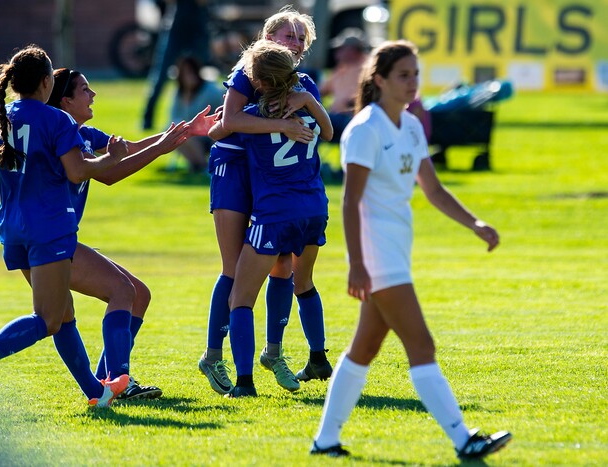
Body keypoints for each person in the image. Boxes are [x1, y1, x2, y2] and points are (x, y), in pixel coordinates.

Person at [311, 40, 512, 459]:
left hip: (396, 249)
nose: (412, 83)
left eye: (416, 75)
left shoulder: (414, 126)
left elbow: (433, 189)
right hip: (376, 254)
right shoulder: (365, 128)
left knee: (363, 350)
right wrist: (358, 265)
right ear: (379, 80)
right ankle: (463, 440)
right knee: (422, 346)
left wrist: (474, 223)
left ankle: (325, 441)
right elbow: (350, 202)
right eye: (403, 75)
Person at [0, 45, 131, 409]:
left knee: (63, 312)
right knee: (49, 318)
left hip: (13, 229)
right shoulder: (58, 120)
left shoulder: (1, 115)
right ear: (45, 82)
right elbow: (78, 171)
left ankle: (96, 392)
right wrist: (110, 159)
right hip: (50, 227)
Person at [45, 67, 208, 400]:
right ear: (66, 100)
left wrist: (181, 134)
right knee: (118, 291)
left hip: (62, 239)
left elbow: (129, 148)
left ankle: (110, 380)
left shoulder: (84, 132)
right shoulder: (63, 137)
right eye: (85, 90)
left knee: (138, 294)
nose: (93, 95)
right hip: (51, 241)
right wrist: (163, 148)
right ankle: (119, 380)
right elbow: (110, 173)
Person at [198, 6, 333, 396]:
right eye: (286, 35)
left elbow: (316, 125)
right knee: (234, 270)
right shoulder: (247, 71)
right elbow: (225, 127)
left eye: (299, 39)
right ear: (265, 39)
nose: (292, 43)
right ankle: (213, 354)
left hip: (272, 182)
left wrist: (300, 109)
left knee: (282, 269)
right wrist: (283, 124)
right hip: (235, 170)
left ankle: (273, 352)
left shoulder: (301, 83)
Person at [141, 0, 210, 130]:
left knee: (201, 76)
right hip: (175, 27)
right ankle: (147, 119)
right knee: (160, 76)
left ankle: (203, 118)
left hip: (197, 28)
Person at [169, 56, 224, 173]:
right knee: (176, 131)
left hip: (210, 135)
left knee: (184, 131)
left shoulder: (211, 90)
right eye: (184, 73)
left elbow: (223, 111)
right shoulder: (179, 93)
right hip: (190, 135)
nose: (188, 77)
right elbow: (173, 117)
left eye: (191, 72)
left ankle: (204, 167)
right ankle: (197, 165)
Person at [318, 28, 369, 142]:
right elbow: (319, 91)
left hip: (353, 118)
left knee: (315, 125)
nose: (337, 53)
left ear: (352, 50)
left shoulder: (367, 69)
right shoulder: (341, 69)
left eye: (341, 49)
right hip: (336, 117)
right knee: (312, 123)